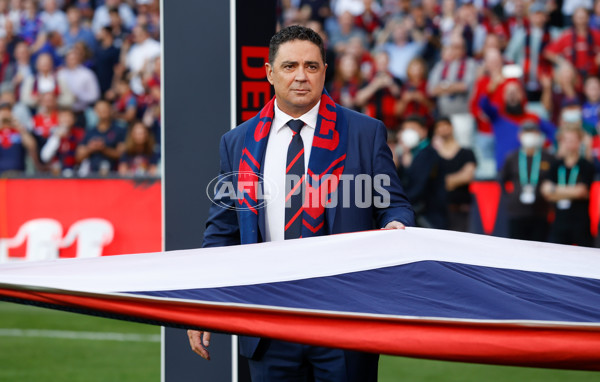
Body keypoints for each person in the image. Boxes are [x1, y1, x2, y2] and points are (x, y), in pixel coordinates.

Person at [188, 25, 414, 381]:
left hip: (344, 320)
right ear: (269, 73)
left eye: (311, 66)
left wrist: (394, 224)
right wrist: (201, 305)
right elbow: (222, 232)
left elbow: (394, 205)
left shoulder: (364, 132)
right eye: (290, 66)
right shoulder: (237, 142)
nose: (301, 76)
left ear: (325, 71)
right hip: (267, 321)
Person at [541, 124, 596, 247]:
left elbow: (581, 192)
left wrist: (555, 190)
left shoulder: (586, 165)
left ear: (579, 142)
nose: (568, 144)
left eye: (572, 140)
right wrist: (572, 192)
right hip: (559, 223)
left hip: (580, 224)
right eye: (565, 140)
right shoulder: (556, 165)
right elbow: (546, 192)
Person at [500, 120, 555, 242]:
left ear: (539, 136)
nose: (530, 136)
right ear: (520, 136)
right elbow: (503, 180)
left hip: (541, 212)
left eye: (533, 132)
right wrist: (509, 198)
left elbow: (554, 180)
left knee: (539, 248)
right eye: (527, 132)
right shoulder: (512, 157)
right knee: (517, 248)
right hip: (517, 211)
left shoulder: (548, 158)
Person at [396, 115, 447, 229]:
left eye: (412, 129)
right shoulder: (408, 154)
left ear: (424, 131)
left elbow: (418, 187)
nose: (408, 133)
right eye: (405, 130)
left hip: (429, 216)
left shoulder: (428, 154)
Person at [432, 116, 476, 232]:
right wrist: (454, 179)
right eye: (439, 126)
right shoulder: (433, 155)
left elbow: (467, 176)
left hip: (461, 208)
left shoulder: (466, 152)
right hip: (438, 211)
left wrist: (442, 182)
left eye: (445, 125)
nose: (443, 129)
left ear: (452, 127)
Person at [76, 99, 125, 175]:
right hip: (92, 176)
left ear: (110, 110)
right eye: (100, 109)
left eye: (105, 109)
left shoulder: (120, 130)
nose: (103, 112)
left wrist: (104, 149)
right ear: (95, 111)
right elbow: (79, 156)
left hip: (114, 176)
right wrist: (90, 148)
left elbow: (122, 154)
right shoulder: (90, 132)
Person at [0, 100, 36, 175]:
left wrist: (19, 128)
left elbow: (31, 146)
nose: (5, 114)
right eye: (3, 111)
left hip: (18, 175)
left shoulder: (19, 131)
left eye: (8, 111)